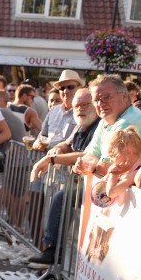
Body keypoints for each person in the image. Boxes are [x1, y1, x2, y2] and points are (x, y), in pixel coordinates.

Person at [26, 87, 101, 268]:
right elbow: (67, 144)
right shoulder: (80, 125)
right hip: (68, 181)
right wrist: (58, 148)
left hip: (88, 186)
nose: (81, 109)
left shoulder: (99, 125)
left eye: (85, 104)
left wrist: (52, 158)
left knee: (75, 236)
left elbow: (87, 155)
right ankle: (57, 268)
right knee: (62, 228)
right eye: (77, 105)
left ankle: (66, 272)